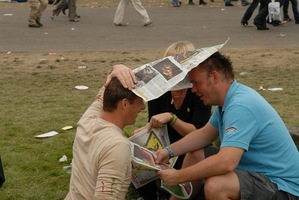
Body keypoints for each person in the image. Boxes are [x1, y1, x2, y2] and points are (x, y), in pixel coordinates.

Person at [156, 52, 299, 200]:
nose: (193, 90)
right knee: (195, 154)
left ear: (214, 77)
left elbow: (226, 162)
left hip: (284, 187)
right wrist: (168, 152)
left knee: (217, 186)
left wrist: (179, 176)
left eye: (196, 83)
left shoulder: (241, 106)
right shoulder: (229, 99)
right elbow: (204, 135)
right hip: (257, 173)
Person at [136, 41, 212, 200]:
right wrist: (144, 131)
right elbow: (154, 122)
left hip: (190, 147)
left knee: (190, 157)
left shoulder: (197, 90)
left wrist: (172, 118)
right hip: (164, 142)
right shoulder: (159, 90)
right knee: (137, 152)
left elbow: (200, 133)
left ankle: (180, 191)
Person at [64, 65, 146, 199]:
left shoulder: (86, 121)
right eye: (140, 101)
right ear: (124, 104)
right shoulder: (118, 146)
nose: (143, 107)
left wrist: (117, 68)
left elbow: (106, 89)